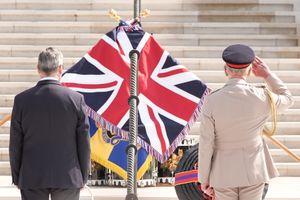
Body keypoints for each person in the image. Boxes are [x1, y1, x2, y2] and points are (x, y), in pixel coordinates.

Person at [198, 44, 294, 200]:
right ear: (250, 71)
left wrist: (204, 179)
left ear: (225, 70)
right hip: (254, 170)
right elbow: (288, 99)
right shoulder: (263, 96)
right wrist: (267, 75)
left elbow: (206, 143)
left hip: (223, 172)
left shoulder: (212, 100)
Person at [9, 47, 90, 200]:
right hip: (68, 176)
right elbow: (83, 143)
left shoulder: (21, 100)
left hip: (32, 176)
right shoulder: (76, 99)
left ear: (38, 69)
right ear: (60, 69)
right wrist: (83, 176)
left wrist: (17, 176)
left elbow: (15, 144)